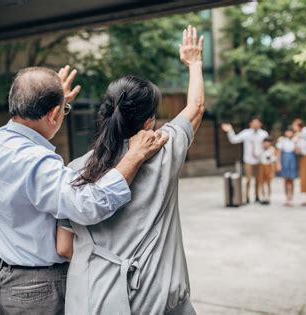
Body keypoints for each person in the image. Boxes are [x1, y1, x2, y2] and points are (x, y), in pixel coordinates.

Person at [0, 66, 167, 315]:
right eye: (63, 110)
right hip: (36, 289)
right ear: (53, 114)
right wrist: (135, 156)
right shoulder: (38, 162)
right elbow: (89, 204)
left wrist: (54, 102)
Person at [57, 25, 204, 315]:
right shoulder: (164, 150)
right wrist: (194, 63)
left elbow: (63, 248)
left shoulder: (73, 170)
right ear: (149, 122)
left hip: (94, 298)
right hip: (155, 298)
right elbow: (196, 106)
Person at [221, 118, 269, 203]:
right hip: (248, 160)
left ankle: (257, 196)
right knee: (248, 179)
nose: (255, 125)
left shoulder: (264, 134)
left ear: (260, 124)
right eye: (254, 123)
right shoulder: (246, 133)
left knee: (259, 179)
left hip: (260, 160)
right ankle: (246, 197)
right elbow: (234, 140)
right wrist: (230, 130)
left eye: (257, 123)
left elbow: (267, 146)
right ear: (250, 124)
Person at [276, 128, 298, 207]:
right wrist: (278, 163)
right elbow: (278, 153)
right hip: (284, 160)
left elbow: (297, 151)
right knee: (285, 180)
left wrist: (296, 142)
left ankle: (291, 197)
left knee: (291, 180)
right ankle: (286, 197)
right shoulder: (282, 141)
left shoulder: (295, 140)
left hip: (292, 160)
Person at [257, 137, 276, 205]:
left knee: (268, 183)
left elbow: (273, 161)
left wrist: (273, 172)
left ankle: (268, 197)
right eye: (265, 142)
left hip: (268, 166)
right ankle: (263, 197)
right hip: (262, 166)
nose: (266, 144)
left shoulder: (272, 150)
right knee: (261, 183)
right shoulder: (261, 149)